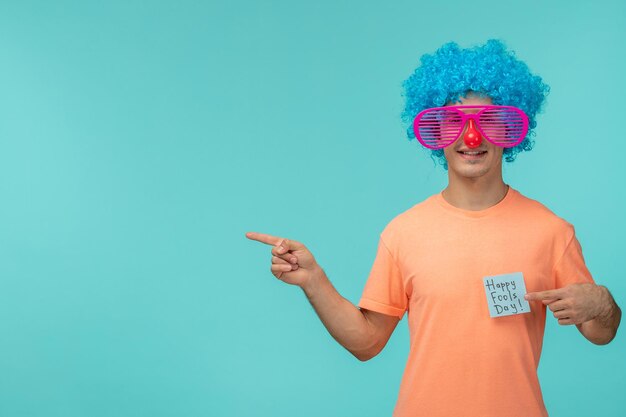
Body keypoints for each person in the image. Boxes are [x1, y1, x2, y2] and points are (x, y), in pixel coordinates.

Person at [245, 39, 621, 417]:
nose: (471, 137)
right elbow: (367, 343)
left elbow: (600, 333)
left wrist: (604, 305)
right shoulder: (404, 232)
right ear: (435, 131)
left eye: (488, 121)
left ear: (510, 128)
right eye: (453, 122)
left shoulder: (551, 231)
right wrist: (314, 280)